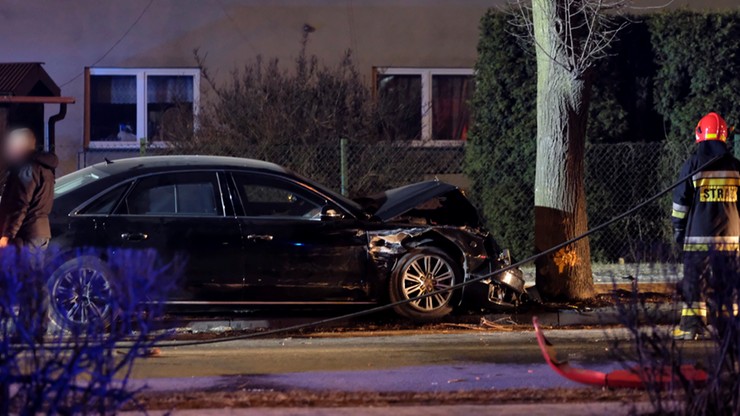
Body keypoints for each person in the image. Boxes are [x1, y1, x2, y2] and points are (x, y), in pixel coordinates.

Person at [671, 112, 740, 340]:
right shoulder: (736, 167)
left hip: (698, 238)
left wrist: (679, 231)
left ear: (700, 134)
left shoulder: (693, 165)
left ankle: (691, 328)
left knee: (694, 282)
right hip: (731, 239)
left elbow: (680, 203)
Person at [0, 128, 58, 251]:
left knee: (21, 269)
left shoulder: (26, 168)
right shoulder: (44, 167)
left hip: (25, 234)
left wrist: (7, 235)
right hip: (39, 233)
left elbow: (20, 203)